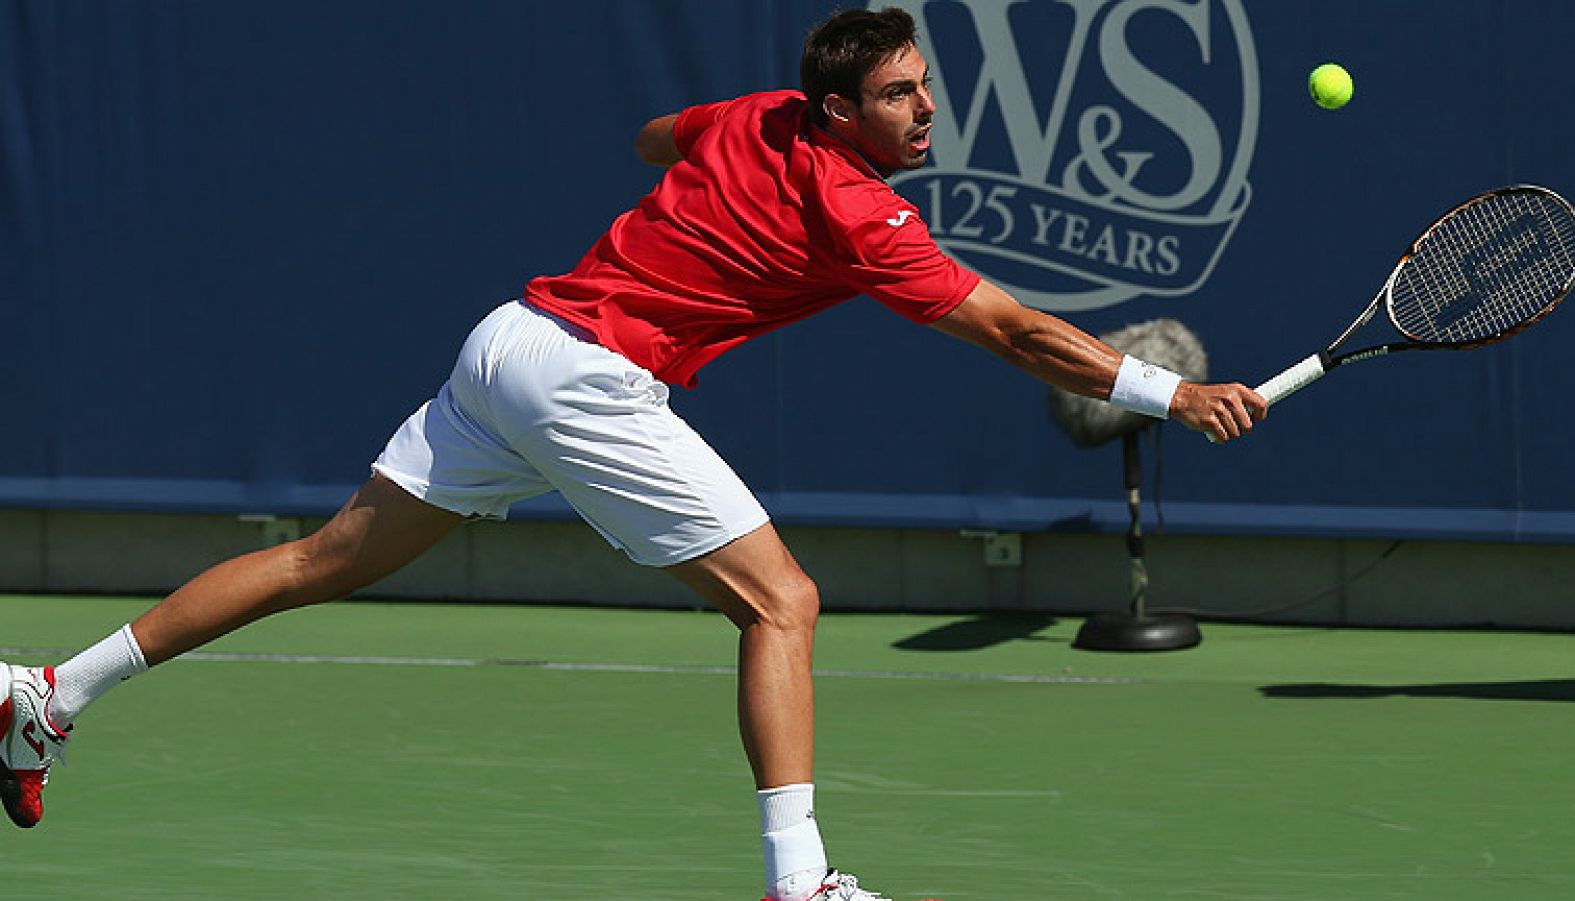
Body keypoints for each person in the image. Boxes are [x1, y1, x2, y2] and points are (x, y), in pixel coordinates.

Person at [0, 7, 1265, 900]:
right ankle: (798, 885)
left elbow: (665, 133)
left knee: (322, 559)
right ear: (840, 110)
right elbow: (1014, 329)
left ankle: (52, 693)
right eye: (898, 94)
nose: (925, 105)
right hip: (591, 376)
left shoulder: (760, 115)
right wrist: (1172, 390)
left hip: (507, 342)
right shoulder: (860, 211)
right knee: (785, 601)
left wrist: (710, 186)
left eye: (925, 84)